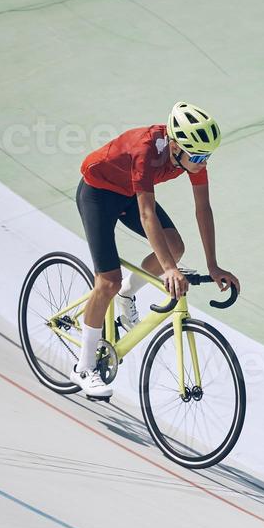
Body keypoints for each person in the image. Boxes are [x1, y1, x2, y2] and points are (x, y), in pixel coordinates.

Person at [72, 101, 239, 399]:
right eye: (198, 155)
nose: (202, 162)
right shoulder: (145, 150)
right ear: (175, 146)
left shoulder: (191, 158)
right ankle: (84, 367)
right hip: (98, 193)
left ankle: (127, 293)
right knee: (107, 280)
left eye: (207, 155)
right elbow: (147, 214)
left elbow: (203, 209)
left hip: (128, 194)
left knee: (175, 246)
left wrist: (213, 265)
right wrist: (170, 270)